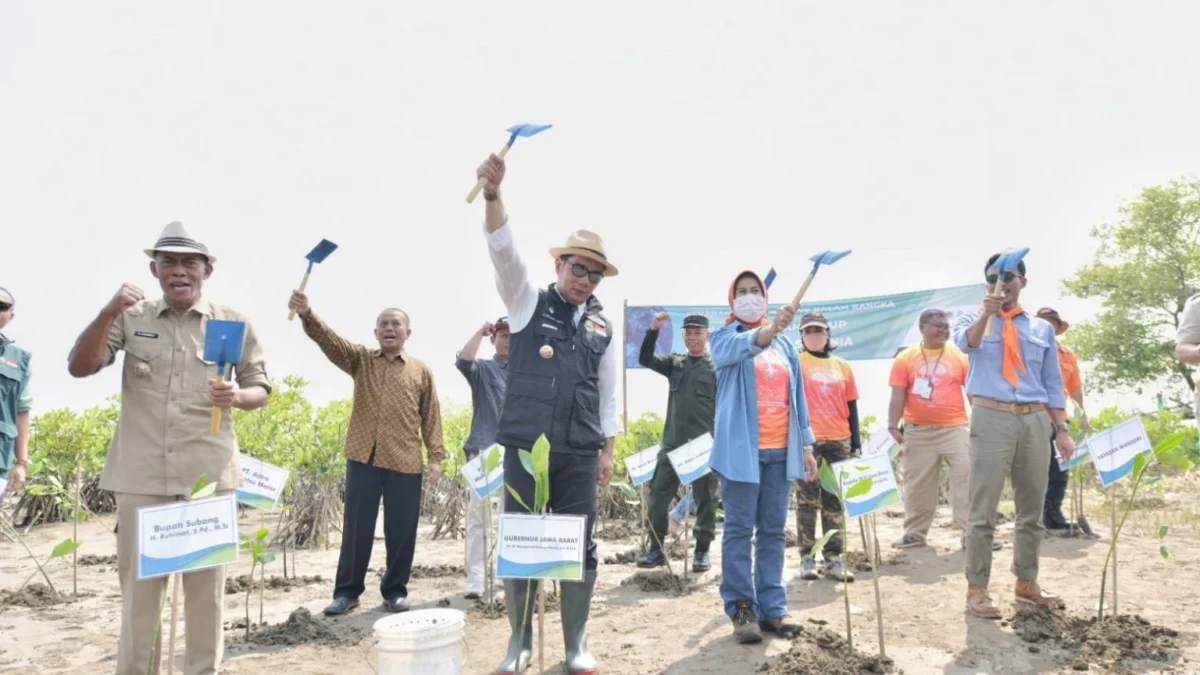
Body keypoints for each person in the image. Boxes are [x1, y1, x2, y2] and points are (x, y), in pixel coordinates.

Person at [67, 221, 272, 675]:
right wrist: (106, 313)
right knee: (142, 600)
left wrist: (238, 397)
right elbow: (80, 367)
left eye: (190, 263)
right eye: (170, 262)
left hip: (208, 479)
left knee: (206, 599)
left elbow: (260, 387)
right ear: (154, 268)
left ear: (207, 270)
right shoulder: (130, 317)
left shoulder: (232, 322)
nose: (180, 271)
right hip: (142, 480)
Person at [476, 153, 618, 675]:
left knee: (580, 542)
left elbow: (607, 395)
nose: (585, 279)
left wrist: (607, 450)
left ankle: (576, 644)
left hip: (579, 452)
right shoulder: (525, 301)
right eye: (578, 268)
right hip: (526, 447)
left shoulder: (601, 327)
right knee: (521, 538)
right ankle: (519, 644)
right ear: (559, 265)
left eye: (595, 274)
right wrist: (493, 197)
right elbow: (502, 250)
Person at [288, 290, 445, 616]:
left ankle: (395, 591)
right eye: (383, 324)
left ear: (407, 333)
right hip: (363, 457)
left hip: (405, 459)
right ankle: (347, 592)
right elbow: (329, 340)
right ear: (376, 333)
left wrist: (436, 457)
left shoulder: (420, 371)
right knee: (357, 527)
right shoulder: (360, 360)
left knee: (402, 531)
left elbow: (431, 416)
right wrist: (307, 313)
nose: (390, 328)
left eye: (396, 324)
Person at [952, 253, 1075, 619]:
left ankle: (1027, 581)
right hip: (992, 417)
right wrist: (988, 313)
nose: (1002, 283)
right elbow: (966, 345)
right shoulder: (972, 318)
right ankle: (977, 589)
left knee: (1032, 509)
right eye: (994, 278)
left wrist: (1062, 430)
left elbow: (1053, 383)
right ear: (986, 283)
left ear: (1023, 282)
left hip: (1035, 420)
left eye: (1009, 277)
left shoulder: (1041, 330)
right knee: (983, 509)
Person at [709, 270, 818, 644]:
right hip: (741, 452)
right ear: (731, 299)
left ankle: (773, 607)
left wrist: (806, 445)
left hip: (780, 451)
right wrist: (769, 329)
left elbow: (798, 399)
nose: (749, 296)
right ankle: (741, 607)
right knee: (739, 530)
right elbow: (739, 349)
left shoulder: (787, 348)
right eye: (742, 292)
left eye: (756, 291)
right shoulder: (724, 337)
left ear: (766, 297)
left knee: (772, 530)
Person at [888, 309, 1000, 551]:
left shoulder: (959, 355)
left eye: (947, 327)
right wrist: (892, 425)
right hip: (917, 431)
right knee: (918, 485)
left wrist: (984, 421)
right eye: (938, 326)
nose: (944, 331)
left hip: (955, 430)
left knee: (967, 479)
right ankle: (915, 534)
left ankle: (972, 534)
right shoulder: (905, 358)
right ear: (922, 328)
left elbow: (972, 391)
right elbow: (897, 395)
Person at [636, 312, 718, 573]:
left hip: (704, 446)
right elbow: (645, 359)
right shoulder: (675, 363)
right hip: (672, 444)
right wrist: (653, 331)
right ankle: (656, 548)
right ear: (683, 336)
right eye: (689, 333)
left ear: (707, 336)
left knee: (706, 498)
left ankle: (702, 550)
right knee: (658, 496)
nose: (693, 337)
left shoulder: (716, 368)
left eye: (698, 333)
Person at [794, 312, 859, 582]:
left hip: (839, 440)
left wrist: (856, 443)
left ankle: (834, 558)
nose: (814, 335)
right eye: (808, 331)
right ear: (801, 336)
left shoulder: (842, 366)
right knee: (807, 500)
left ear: (828, 334)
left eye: (819, 330)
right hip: (808, 443)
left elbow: (852, 405)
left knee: (834, 502)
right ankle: (807, 557)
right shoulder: (796, 362)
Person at [455, 317, 510, 599]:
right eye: (502, 335)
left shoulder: (526, 373)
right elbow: (464, 361)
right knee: (478, 518)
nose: (507, 340)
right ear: (493, 339)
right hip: (484, 451)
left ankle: (504, 575)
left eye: (513, 336)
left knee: (509, 517)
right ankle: (476, 579)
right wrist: (479, 330)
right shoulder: (484, 369)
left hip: (515, 455)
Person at [1034, 307, 1090, 535]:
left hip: (1059, 421)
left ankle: (1053, 517)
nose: (1048, 326)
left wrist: (1083, 412)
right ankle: (1033, 520)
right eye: (1043, 322)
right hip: (1033, 417)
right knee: (1034, 470)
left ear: (1057, 328)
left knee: (1060, 470)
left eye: (1052, 323)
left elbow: (1075, 388)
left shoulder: (1067, 354)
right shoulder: (1028, 350)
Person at [0, 286, 31, 495]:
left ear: (10, 316)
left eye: (2, 306)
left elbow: (22, 410)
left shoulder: (19, 360)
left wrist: (21, 463)